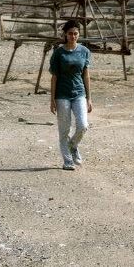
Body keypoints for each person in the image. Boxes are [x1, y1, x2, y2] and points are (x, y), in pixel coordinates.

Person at [49, 19, 93, 170]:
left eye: (75, 34)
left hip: (79, 93)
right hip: (62, 95)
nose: (73, 36)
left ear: (79, 35)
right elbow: (54, 77)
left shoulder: (84, 52)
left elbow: (86, 76)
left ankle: (73, 145)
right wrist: (52, 99)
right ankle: (67, 161)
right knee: (64, 129)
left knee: (83, 125)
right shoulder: (58, 53)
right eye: (70, 33)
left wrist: (89, 98)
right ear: (65, 35)